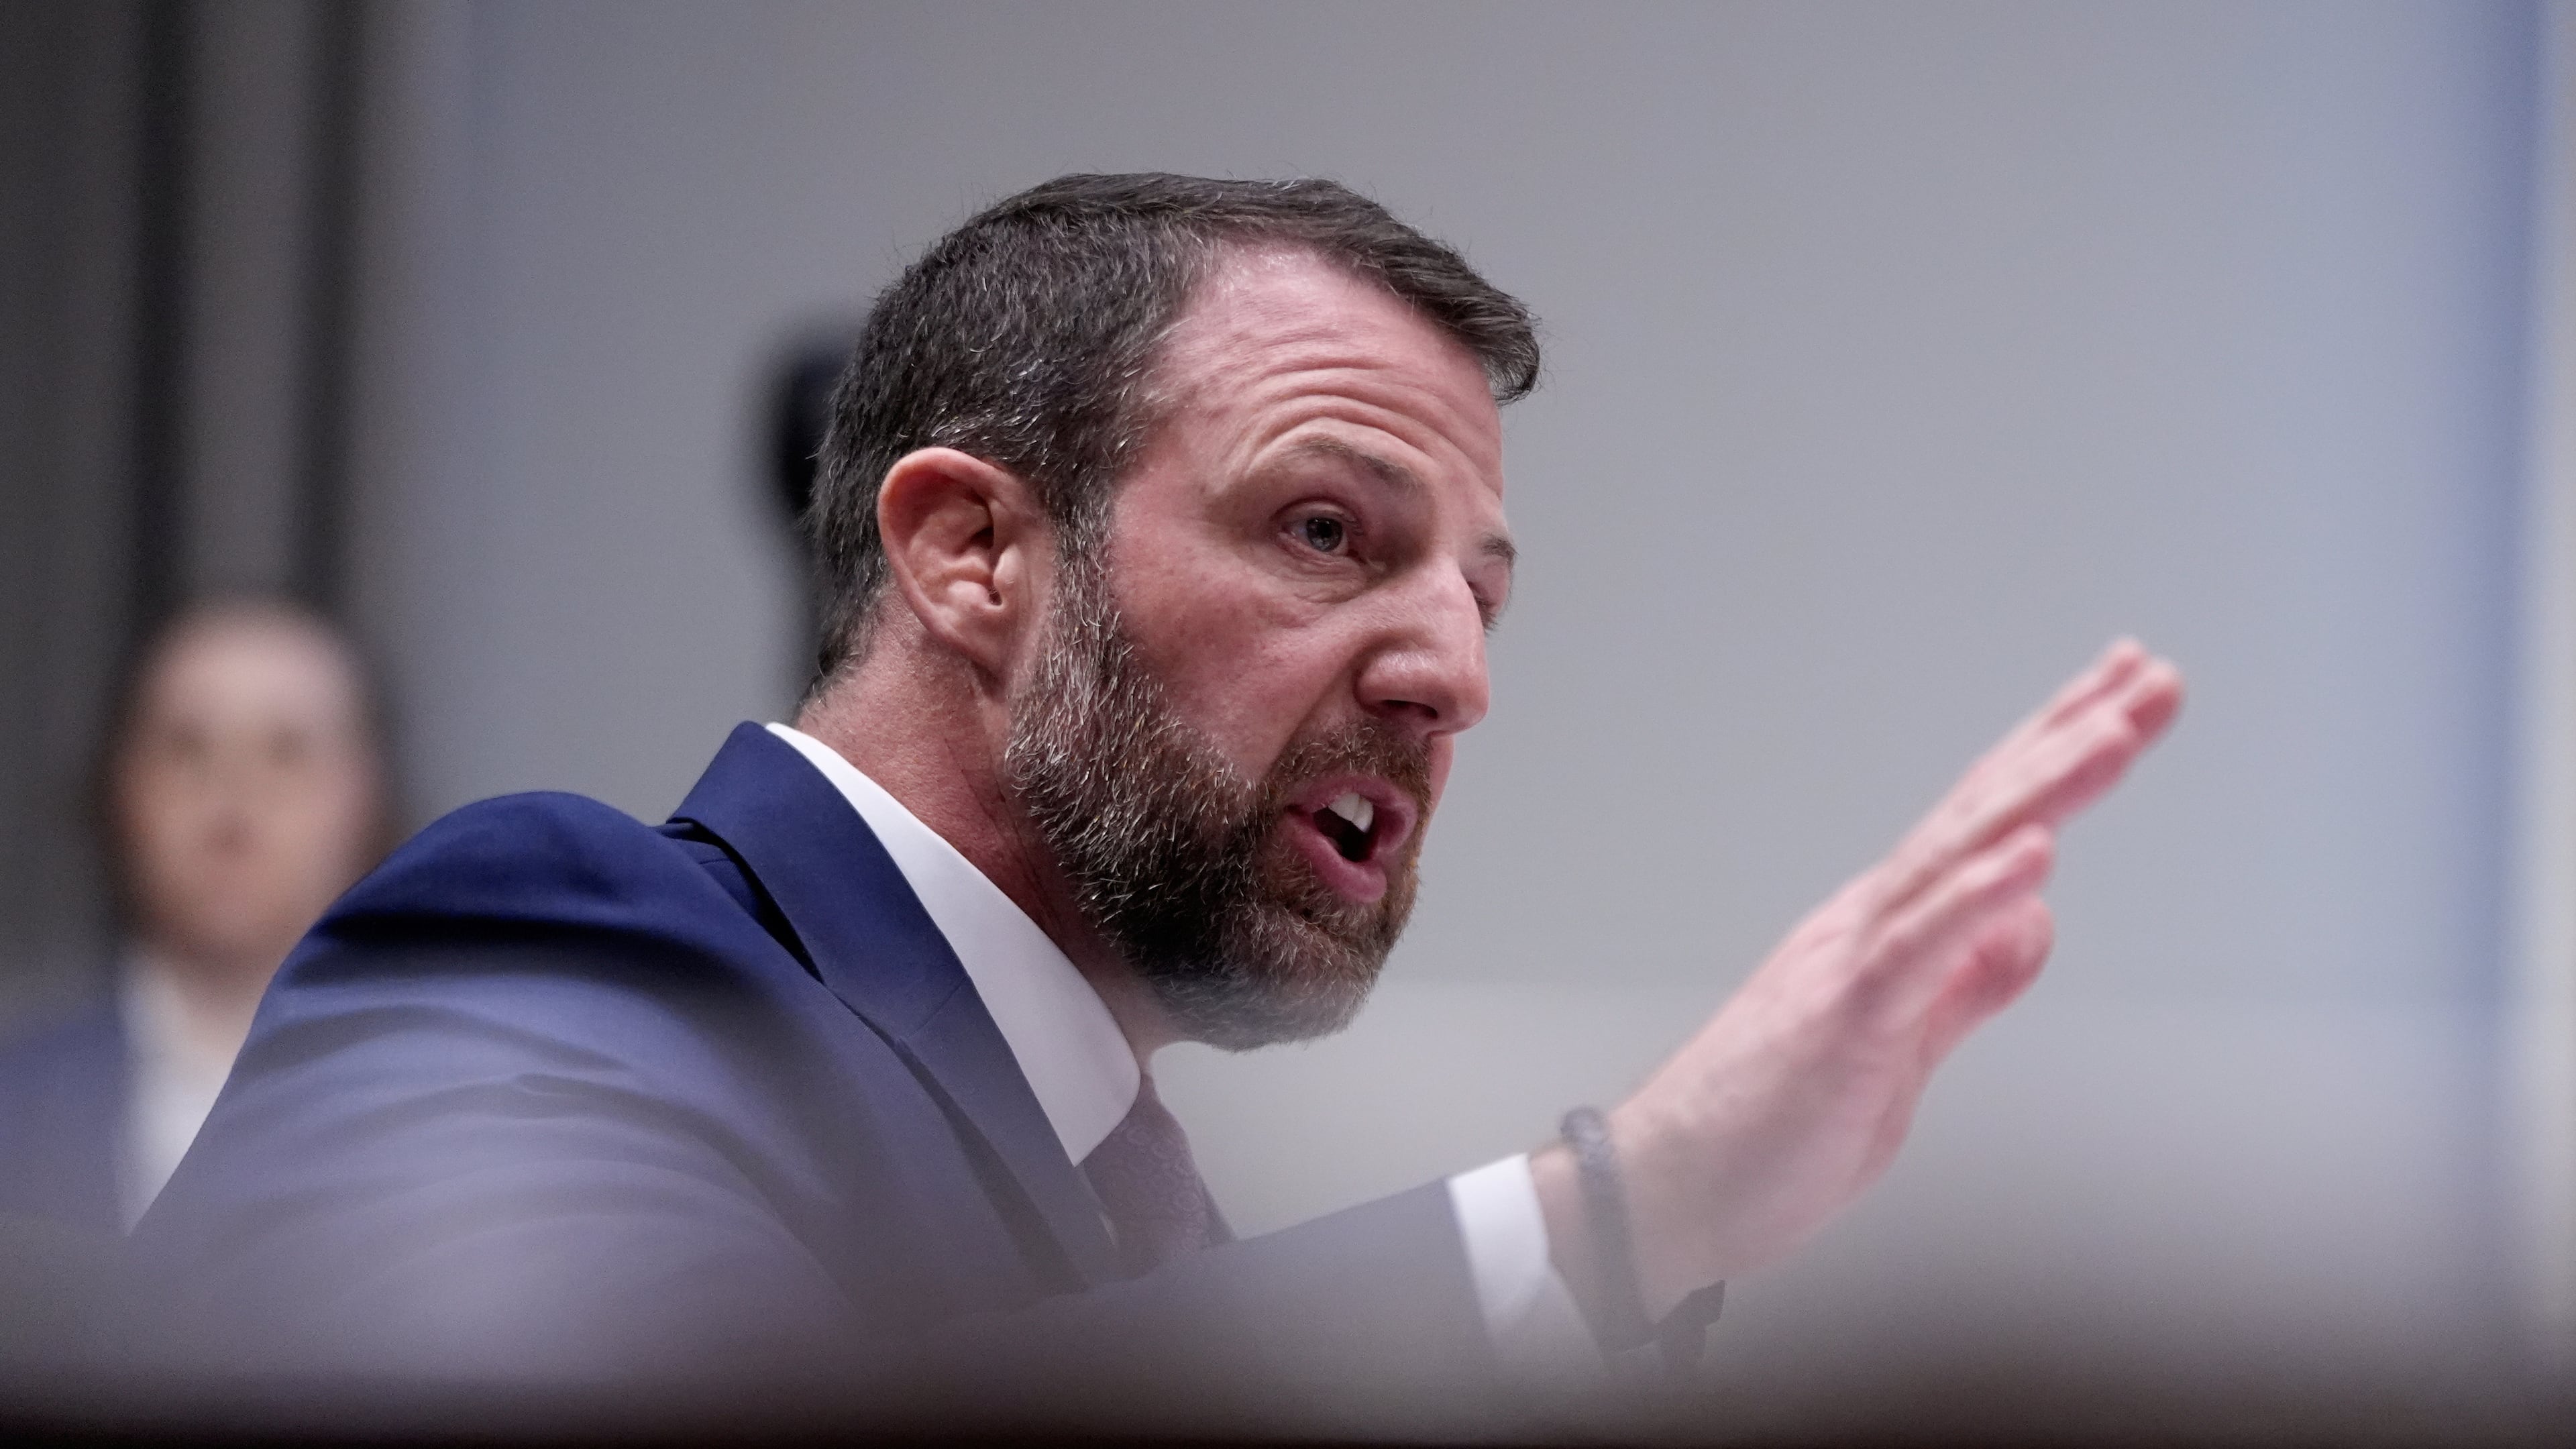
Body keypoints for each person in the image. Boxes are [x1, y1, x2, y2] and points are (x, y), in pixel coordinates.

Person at [131, 175, 2182, 1424]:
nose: (1449, 674)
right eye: (1322, 528)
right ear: (970, 556)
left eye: (1476, 596)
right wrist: (1617, 1214)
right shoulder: (550, 942)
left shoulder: (1149, 1221)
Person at [0, 598, 391, 1234]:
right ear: (121, 789)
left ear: (366, 799)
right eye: (187, 749)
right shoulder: (12, 1106)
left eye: (286, 752)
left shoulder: (463, 1123)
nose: (234, 806)